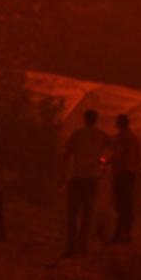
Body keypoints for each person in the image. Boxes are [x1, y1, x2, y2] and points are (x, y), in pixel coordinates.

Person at [60, 110, 112, 257]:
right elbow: (114, 147)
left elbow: (66, 154)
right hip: (92, 179)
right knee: (87, 213)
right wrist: (104, 161)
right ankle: (83, 245)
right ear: (96, 120)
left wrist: (62, 175)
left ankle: (70, 246)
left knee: (73, 213)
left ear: (84, 119)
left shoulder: (77, 134)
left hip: (77, 177)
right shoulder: (101, 135)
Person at [110, 114, 141, 245]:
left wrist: (107, 162)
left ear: (119, 124)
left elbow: (118, 155)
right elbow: (138, 157)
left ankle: (118, 235)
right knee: (127, 203)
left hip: (121, 173)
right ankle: (126, 234)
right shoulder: (134, 138)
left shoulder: (120, 137)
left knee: (120, 203)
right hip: (131, 173)